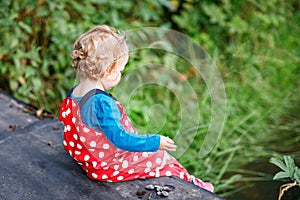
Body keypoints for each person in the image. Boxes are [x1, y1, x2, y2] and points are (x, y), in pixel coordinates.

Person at [59, 25, 213, 192]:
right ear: (108, 71)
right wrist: (155, 142)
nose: (120, 74)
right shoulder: (101, 103)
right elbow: (121, 139)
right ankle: (193, 186)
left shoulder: (74, 94)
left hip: (87, 159)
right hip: (105, 166)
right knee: (161, 158)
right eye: (119, 70)